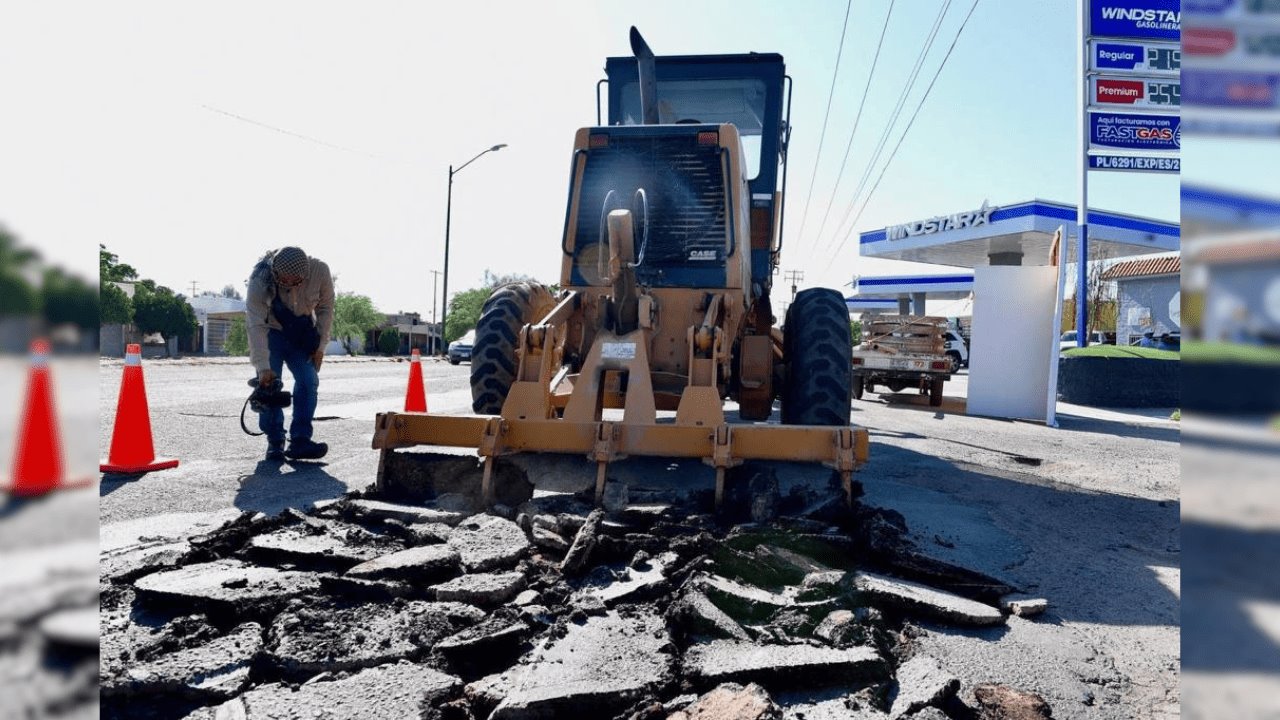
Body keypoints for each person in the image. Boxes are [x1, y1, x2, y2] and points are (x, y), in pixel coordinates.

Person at [246, 246, 335, 461]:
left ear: (304, 275)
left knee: (308, 380)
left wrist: (320, 347)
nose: (289, 285)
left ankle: (300, 441)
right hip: (271, 333)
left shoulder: (320, 271)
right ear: (275, 273)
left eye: (295, 281)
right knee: (269, 387)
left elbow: (326, 309)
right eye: (283, 281)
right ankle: (275, 441)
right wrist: (263, 367)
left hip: (300, 334)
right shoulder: (260, 279)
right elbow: (255, 323)